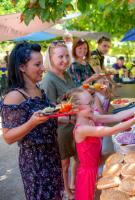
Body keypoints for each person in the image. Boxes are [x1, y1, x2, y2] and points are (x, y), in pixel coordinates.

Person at [62, 88, 135, 200]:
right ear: (76, 108)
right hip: (88, 175)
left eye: (93, 102)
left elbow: (116, 117)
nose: (93, 106)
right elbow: (112, 130)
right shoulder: (81, 129)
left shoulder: (91, 117)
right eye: (90, 103)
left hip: (98, 167)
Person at [0, 42, 63, 199]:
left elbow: (47, 118)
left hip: (52, 155)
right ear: (22, 67)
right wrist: (31, 123)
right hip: (35, 162)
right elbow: (8, 137)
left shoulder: (38, 89)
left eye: (42, 63)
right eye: (37, 64)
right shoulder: (14, 96)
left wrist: (65, 118)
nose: (43, 68)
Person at [40, 40, 76, 199]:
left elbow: (73, 95)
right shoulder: (48, 79)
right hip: (61, 128)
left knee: (76, 157)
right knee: (64, 162)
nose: (65, 60)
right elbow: (50, 111)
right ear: (51, 58)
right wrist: (70, 116)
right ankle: (66, 190)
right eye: (60, 56)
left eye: (67, 56)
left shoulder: (66, 74)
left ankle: (74, 184)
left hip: (74, 124)